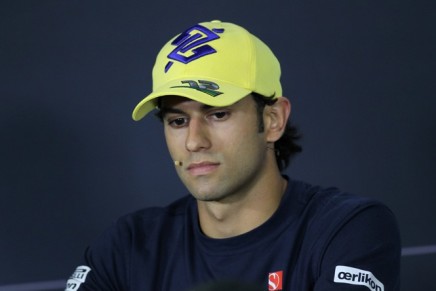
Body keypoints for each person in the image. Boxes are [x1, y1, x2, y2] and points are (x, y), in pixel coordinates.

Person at [65, 20, 401, 291]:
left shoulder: (346, 230)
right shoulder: (128, 247)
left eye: (217, 114)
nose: (194, 141)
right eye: (178, 121)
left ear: (272, 120)